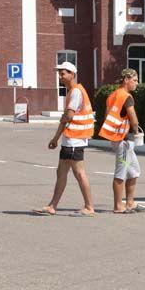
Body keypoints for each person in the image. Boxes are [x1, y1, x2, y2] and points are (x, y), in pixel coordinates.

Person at [33, 62, 96, 217]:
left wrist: (56, 136)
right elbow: (67, 118)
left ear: (72, 74)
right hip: (70, 139)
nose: (60, 76)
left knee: (79, 173)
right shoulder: (71, 92)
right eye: (59, 73)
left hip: (75, 140)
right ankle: (52, 206)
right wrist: (56, 138)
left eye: (63, 73)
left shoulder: (76, 92)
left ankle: (89, 207)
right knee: (61, 172)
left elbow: (68, 116)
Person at [98, 68, 145, 214]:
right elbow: (133, 118)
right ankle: (118, 205)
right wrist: (137, 133)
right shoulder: (127, 97)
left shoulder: (112, 95)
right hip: (124, 141)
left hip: (117, 138)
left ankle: (130, 203)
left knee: (134, 171)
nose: (137, 83)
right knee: (121, 172)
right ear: (126, 79)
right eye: (135, 80)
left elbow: (107, 116)